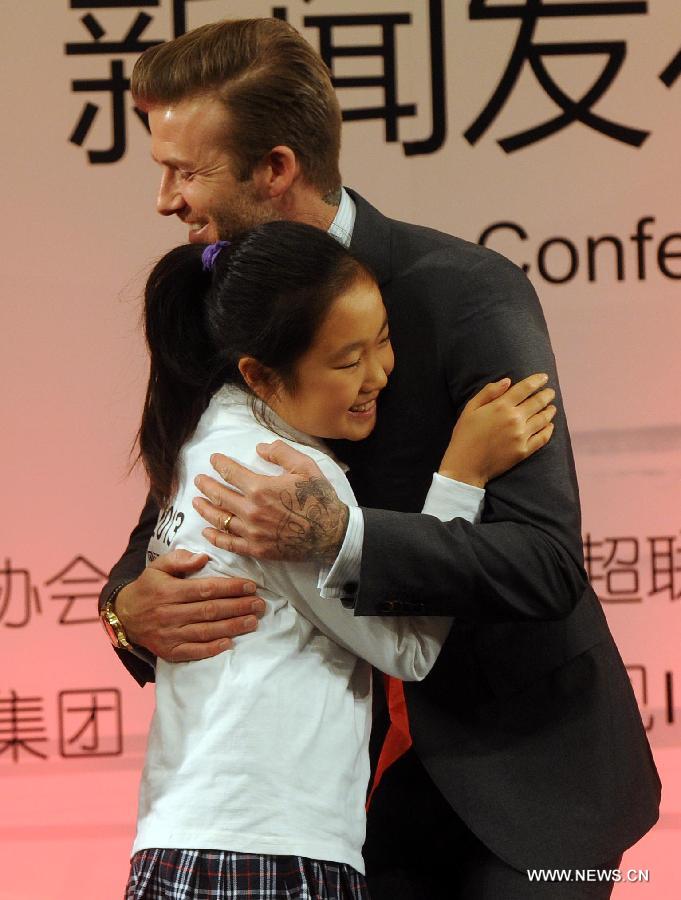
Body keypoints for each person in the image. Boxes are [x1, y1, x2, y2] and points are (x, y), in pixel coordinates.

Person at [100, 18, 660, 900]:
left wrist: (343, 539)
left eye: (185, 170)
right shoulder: (222, 308)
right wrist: (127, 610)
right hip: (331, 812)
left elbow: (544, 563)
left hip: (531, 795)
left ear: (275, 168)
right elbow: (165, 517)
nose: (166, 199)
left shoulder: (464, 292)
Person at [124, 221, 555, 899]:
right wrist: (461, 474)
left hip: (182, 837)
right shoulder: (279, 474)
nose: (379, 373)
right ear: (261, 374)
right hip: (269, 846)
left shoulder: (201, 438)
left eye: (382, 339)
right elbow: (409, 650)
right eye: (346, 360)